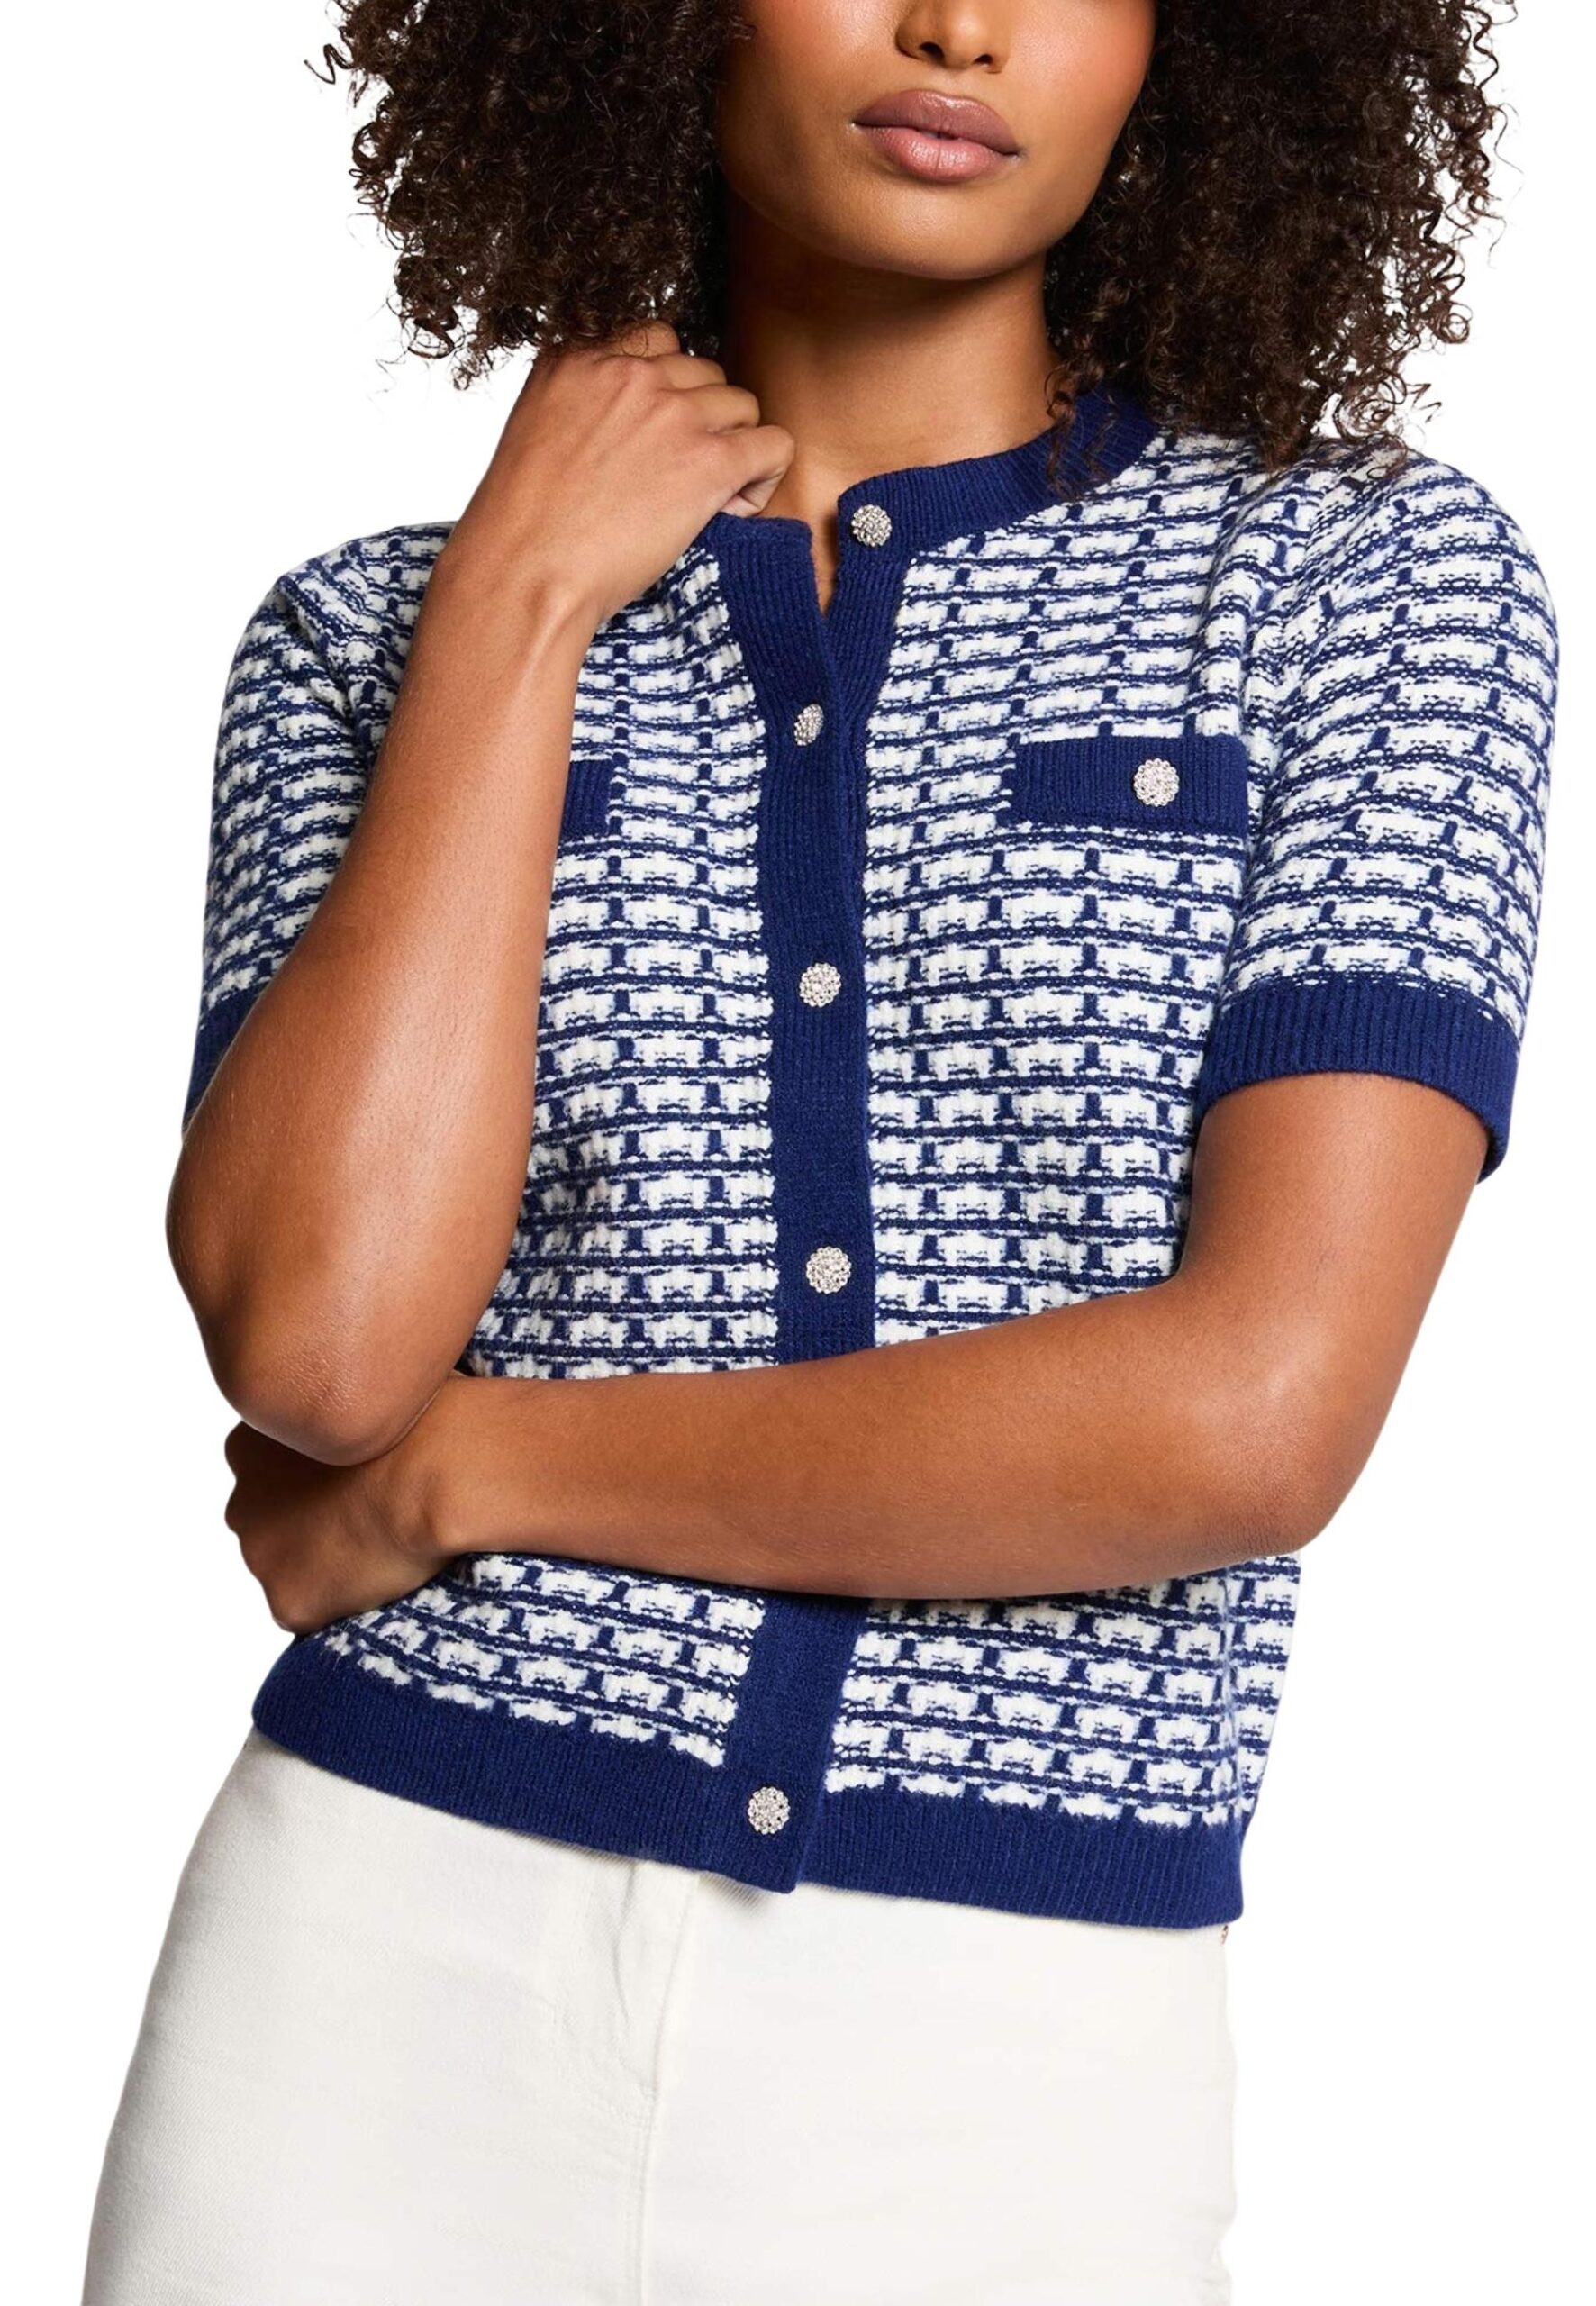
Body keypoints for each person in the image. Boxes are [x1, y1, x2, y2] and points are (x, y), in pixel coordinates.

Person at [82, 3, 1558, 2301]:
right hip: (365, 1970)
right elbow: (318, 1339)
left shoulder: (1355, 585)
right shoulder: (368, 632)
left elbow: (1249, 1414)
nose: (956, 23)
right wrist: (519, 603)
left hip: (1002, 2045)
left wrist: (468, 1471)